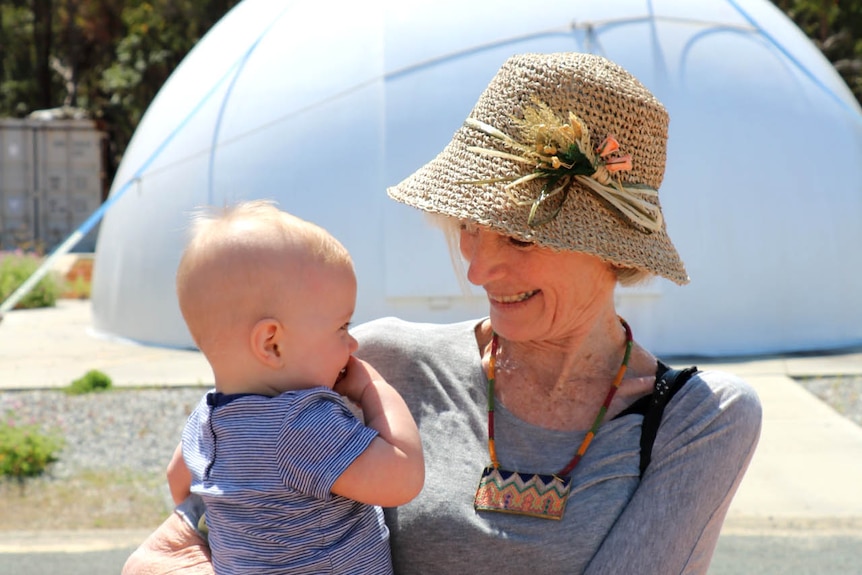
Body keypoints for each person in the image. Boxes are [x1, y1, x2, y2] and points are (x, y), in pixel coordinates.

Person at [123, 52, 761, 575]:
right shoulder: (373, 360)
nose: (479, 271)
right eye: (467, 229)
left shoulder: (699, 418)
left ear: (610, 252)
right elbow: (187, 535)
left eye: (517, 237)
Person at [160, 200, 424, 574]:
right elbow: (402, 478)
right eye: (342, 327)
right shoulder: (300, 424)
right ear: (272, 344)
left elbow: (178, 481)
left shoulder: (206, 420)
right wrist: (374, 389)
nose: (352, 345)